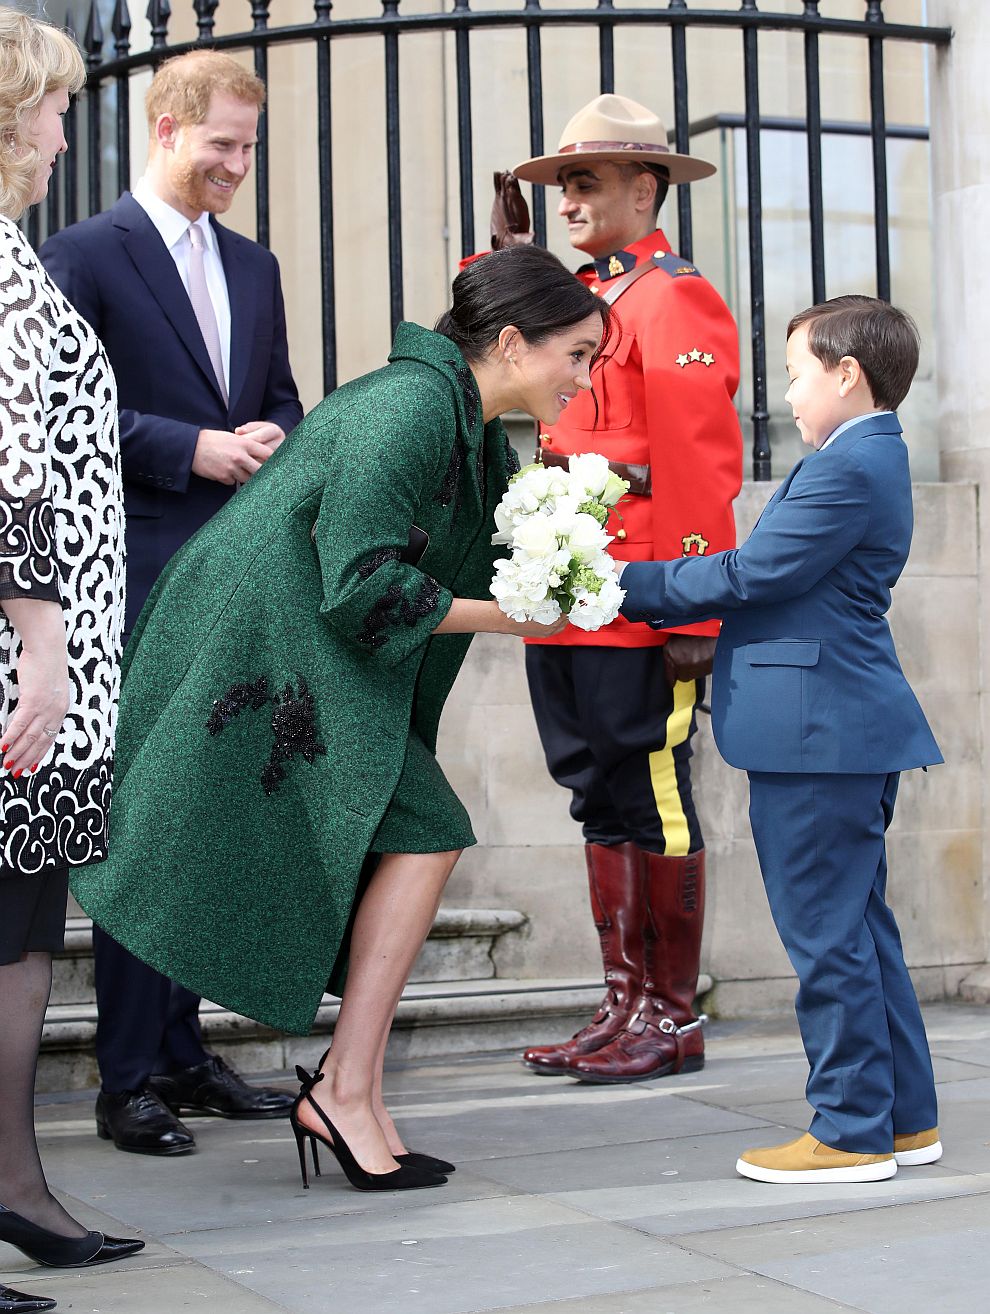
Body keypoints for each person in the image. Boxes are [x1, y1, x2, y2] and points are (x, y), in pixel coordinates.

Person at [71, 244, 609, 1192]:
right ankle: (345, 1092)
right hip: (272, 659)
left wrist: (569, 568)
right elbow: (361, 584)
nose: (584, 376)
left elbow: (446, 559)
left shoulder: (464, 420)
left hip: (311, 662)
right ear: (516, 342)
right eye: (577, 354)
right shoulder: (407, 407)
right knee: (429, 829)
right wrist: (516, 614)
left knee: (424, 831)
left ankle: (349, 1090)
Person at [40, 50, 303, 1157]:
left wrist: (277, 435)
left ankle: (187, 1056)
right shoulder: (82, 254)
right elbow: (60, 418)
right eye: (222, 147)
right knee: (142, 827)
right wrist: (190, 447)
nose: (238, 167)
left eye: (249, 148)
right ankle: (128, 1076)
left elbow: (281, 394)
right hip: (135, 578)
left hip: (235, 579)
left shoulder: (256, 266)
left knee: (207, 819)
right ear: (165, 128)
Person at [617, 295, 942, 1183]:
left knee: (828, 937)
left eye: (797, 374)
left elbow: (754, 572)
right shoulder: (865, 455)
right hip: (834, 727)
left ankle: (849, 1131)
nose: (786, 394)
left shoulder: (850, 465)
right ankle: (903, 1118)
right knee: (860, 931)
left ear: (848, 373)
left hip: (820, 733)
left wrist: (616, 581)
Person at [510, 94, 743, 1082]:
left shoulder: (672, 297)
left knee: (654, 800)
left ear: (644, 189)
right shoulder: (585, 296)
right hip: (572, 597)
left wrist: (692, 603)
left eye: (587, 181)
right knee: (596, 793)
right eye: (563, 182)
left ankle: (672, 1016)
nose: (568, 199)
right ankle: (623, 1004)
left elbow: (699, 460)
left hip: (643, 597)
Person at [0, 9, 144, 1310]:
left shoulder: (13, 253)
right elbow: (8, 468)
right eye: (49, 111)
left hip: (48, 652)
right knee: (5, 934)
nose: (62, 133)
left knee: (24, 930)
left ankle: (17, 1183)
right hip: (20, 662)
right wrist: (41, 640)